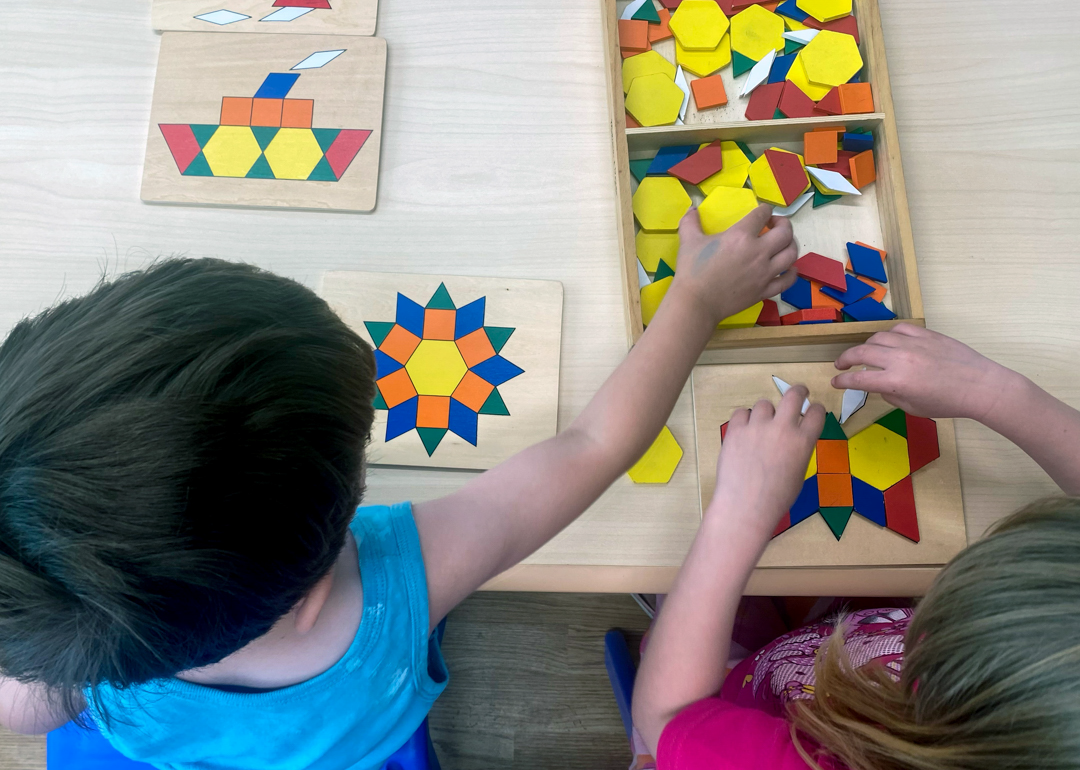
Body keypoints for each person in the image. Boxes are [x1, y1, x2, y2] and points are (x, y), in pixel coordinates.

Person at [0, 206, 797, 769]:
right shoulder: (399, 580)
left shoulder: (73, 642)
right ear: (313, 584)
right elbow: (592, 446)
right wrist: (695, 301)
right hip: (351, 733)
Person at [632, 323, 1080, 770]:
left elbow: (666, 715)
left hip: (713, 719)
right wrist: (997, 393)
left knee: (671, 580)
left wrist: (738, 515)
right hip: (834, 638)